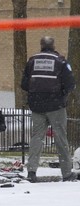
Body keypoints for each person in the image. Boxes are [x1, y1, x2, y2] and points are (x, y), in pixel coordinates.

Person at [21, 36, 77, 182]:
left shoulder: (32, 61)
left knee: (36, 138)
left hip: (37, 106)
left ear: (41, 45)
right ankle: (66, 173)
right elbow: (71, 84)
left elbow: (24, 84)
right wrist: (61, 94)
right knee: (61, 138)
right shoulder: (60, 61)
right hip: (56, 106)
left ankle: (31, 172)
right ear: (53, 46)